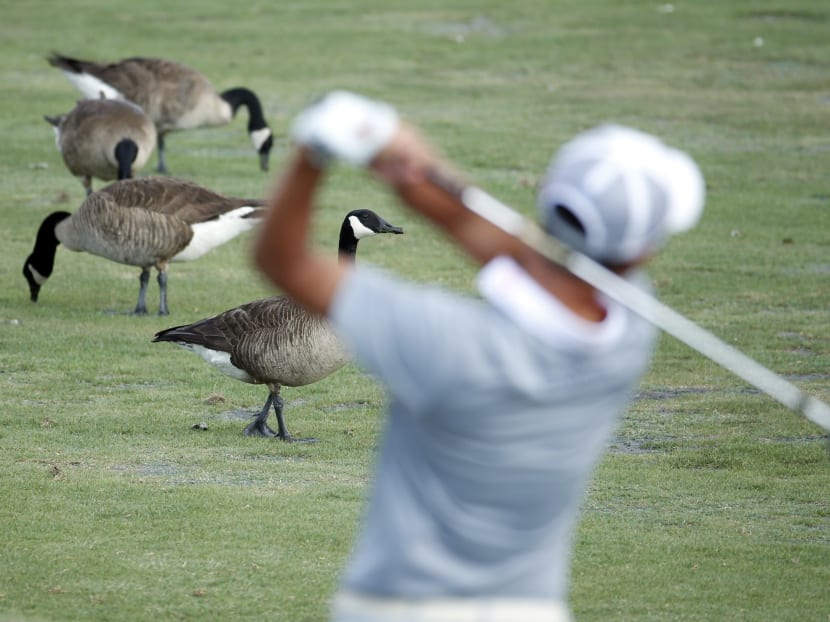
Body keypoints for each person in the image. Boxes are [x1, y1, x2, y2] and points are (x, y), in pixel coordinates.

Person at [253, 91, 705, 622]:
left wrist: (319, 155)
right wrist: (411, 169)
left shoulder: (444, 339)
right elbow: (521, 251)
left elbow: (281, 259)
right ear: (642, 252)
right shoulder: (631, 329)